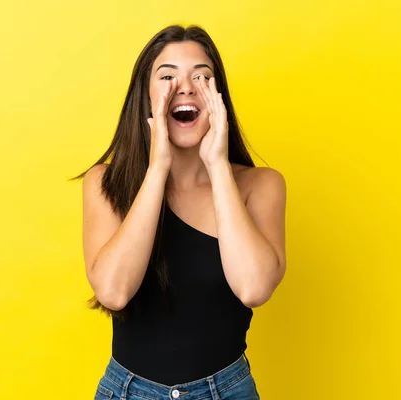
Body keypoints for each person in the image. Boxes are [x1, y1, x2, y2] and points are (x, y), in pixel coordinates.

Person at [73, 24, 286, 400]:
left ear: (218, 98)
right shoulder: (104, 183)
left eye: (201, 77)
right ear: (146, 97)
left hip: (228, 390)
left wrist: (218, 165)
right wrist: (157, 167)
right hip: (128, 392)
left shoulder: (261, 185)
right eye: (168, 76)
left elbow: (253, 288)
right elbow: (114, 291)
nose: (185, 87)